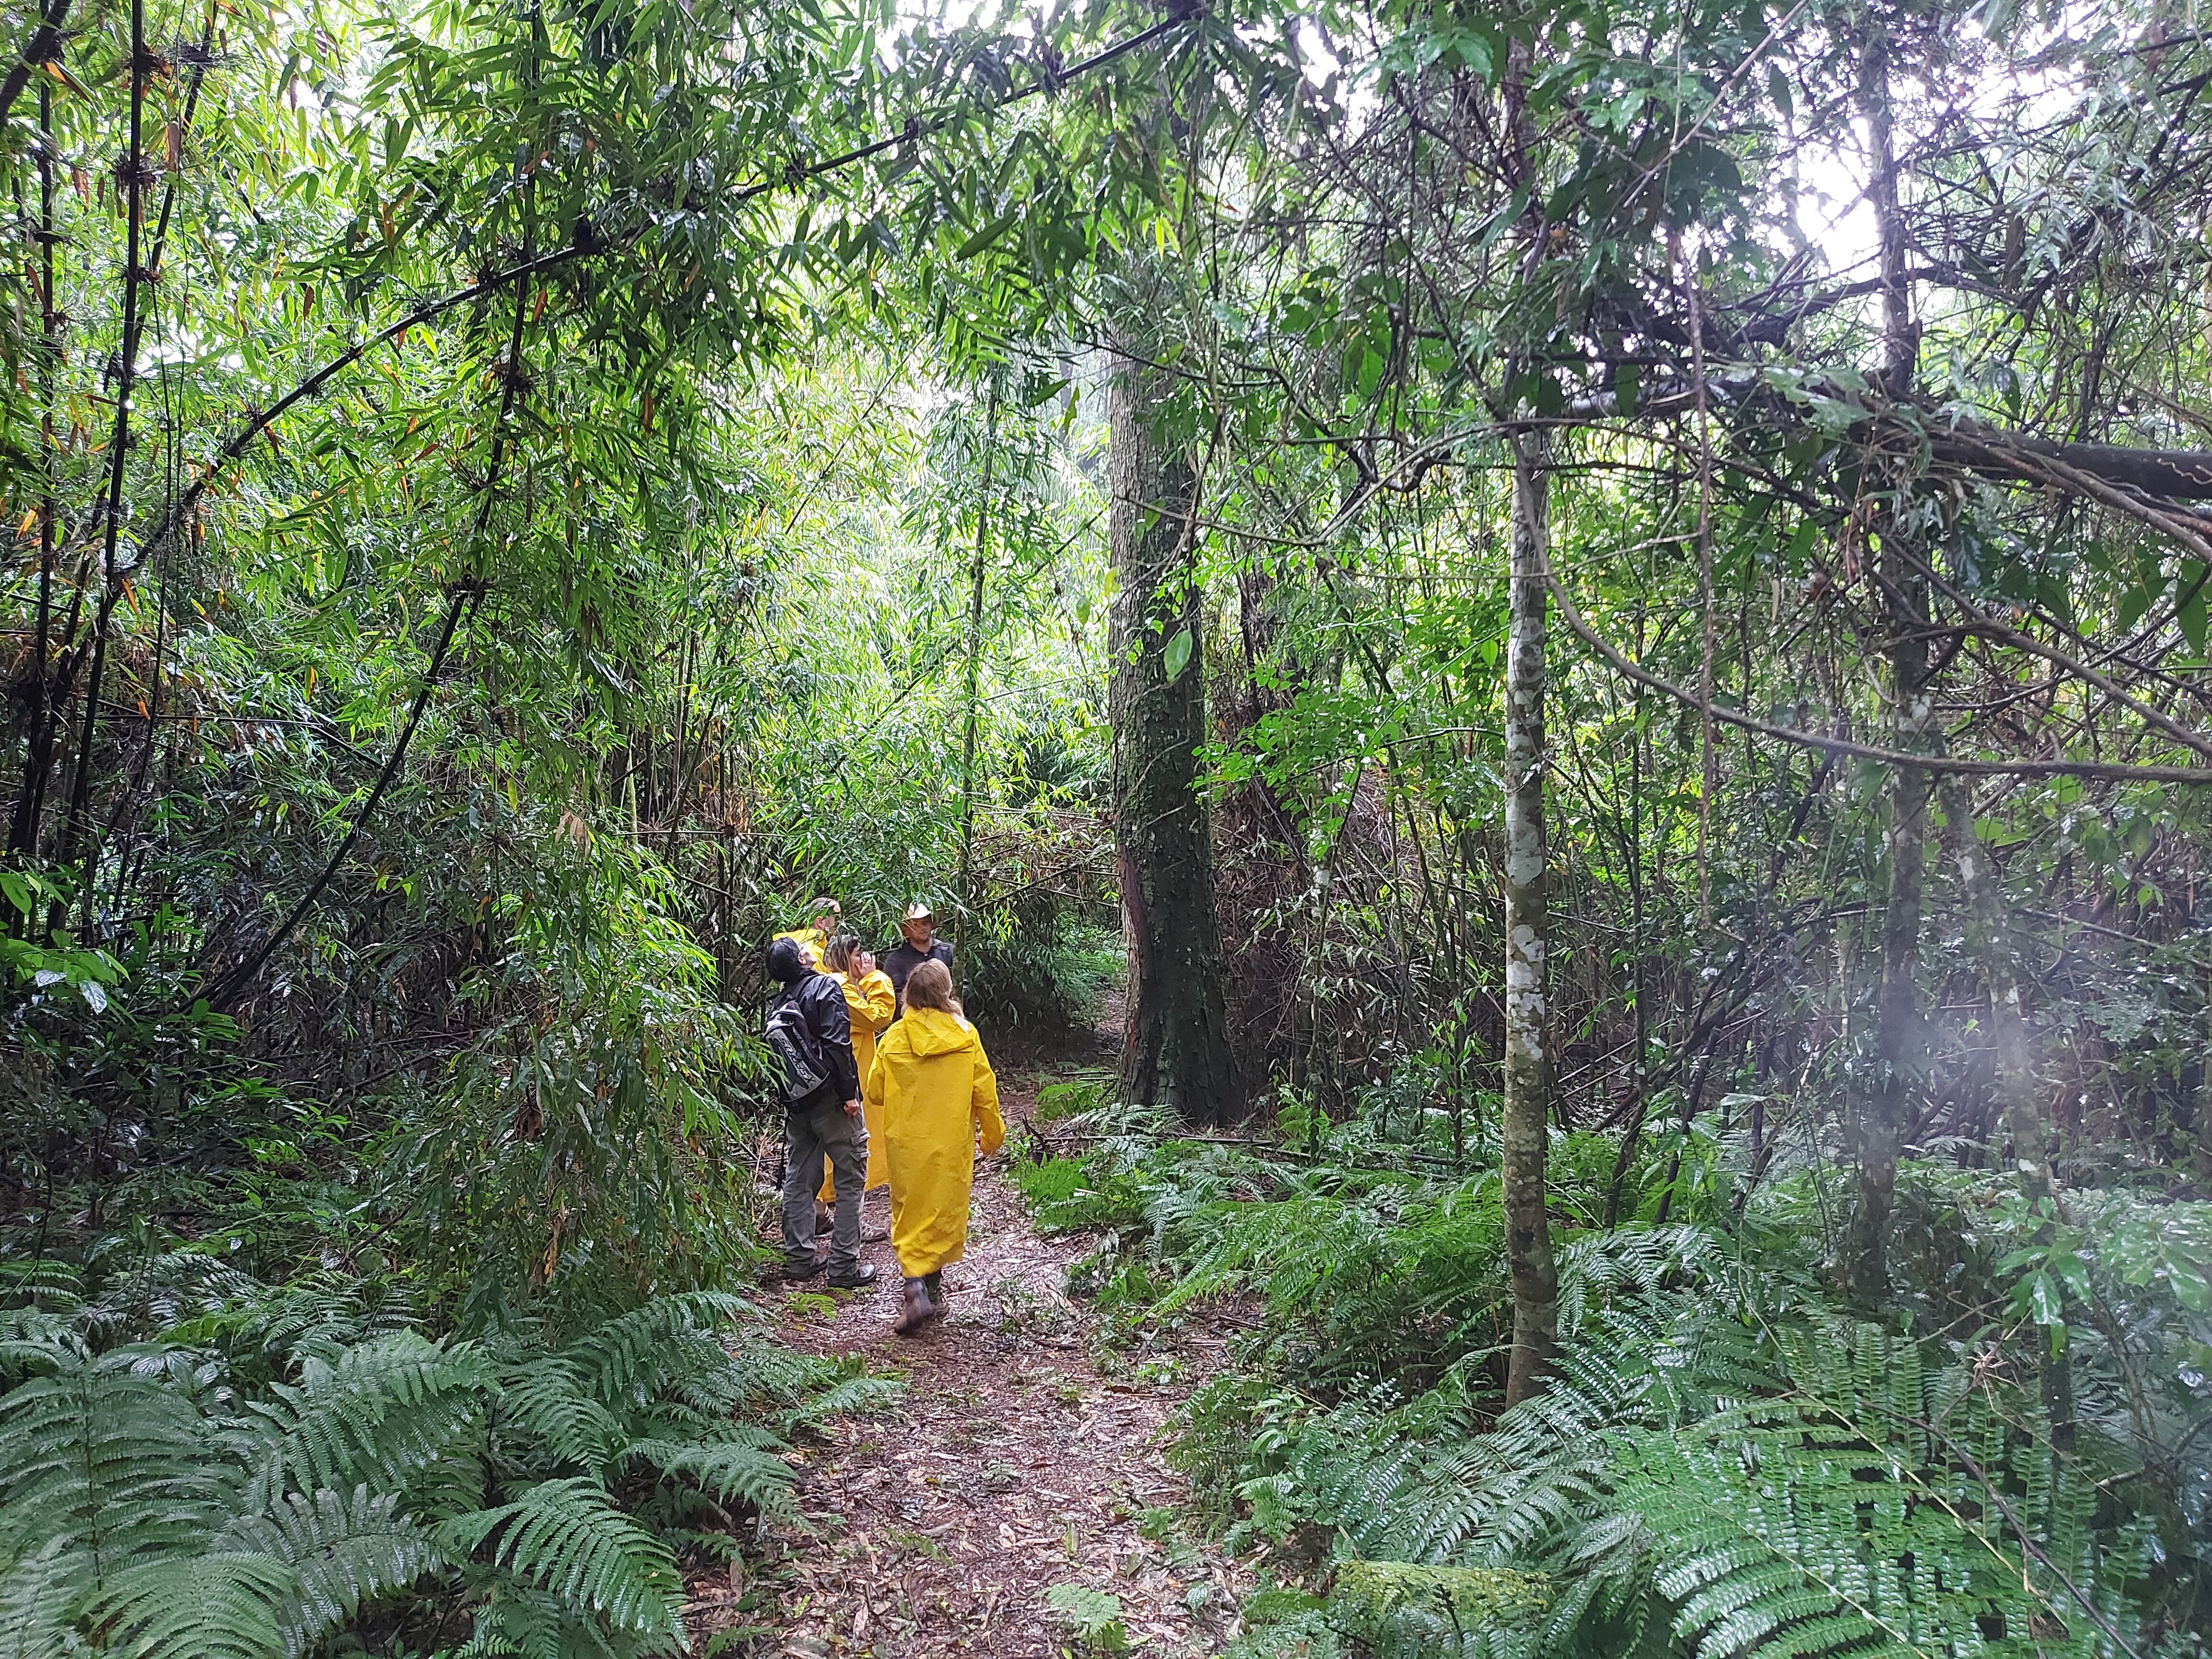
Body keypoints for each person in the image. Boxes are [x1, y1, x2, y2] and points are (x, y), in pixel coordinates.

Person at [863, 958, 1003, 1333]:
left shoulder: (894, 1037)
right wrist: (992, 1136)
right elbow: (985, 1093)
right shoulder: (965, 1035)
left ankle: (915, 1287)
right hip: (949, 1143)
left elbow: (875, 1091)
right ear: (946, 992)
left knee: (909, 1213)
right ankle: (930, 1291)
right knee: (940, 1211)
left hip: (906, 1143)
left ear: (909, 994)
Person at [763, 936, 876, 1289]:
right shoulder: (825, 988)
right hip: (833, 1101)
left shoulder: (777, 1004)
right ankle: (844, 1268)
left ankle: (799, 1259)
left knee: (799, 1180)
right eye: (802, 950)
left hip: (798, 1105)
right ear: (801, 961)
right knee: (850, 1176)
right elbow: (838, 1043)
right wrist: (849, 1095)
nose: (809, 950)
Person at [815, 934, 896, 1227]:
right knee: (846, 1145)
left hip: (850, 1071)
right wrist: (875, 978)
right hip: (847, 1076)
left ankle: (825, 1211)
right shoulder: (839, 988)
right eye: (857, 954)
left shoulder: (839, 985)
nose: (863, 959)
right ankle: (838, 1218)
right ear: (843, 957)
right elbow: (878, 1017)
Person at [882, 900, 954, 1012]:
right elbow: (894, 996)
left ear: (931, 924)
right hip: (912, 1019)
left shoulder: (948, 952)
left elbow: (963, 984)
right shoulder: (896, 960)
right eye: (915, 925)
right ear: (907, 930)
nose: (922, 928)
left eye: (925, 923)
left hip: (947, 1017)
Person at [772, 897, 842, 971]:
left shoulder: (807, 945)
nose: (842, 924)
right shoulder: (811, 953)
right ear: (820, 922)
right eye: (837, 920)